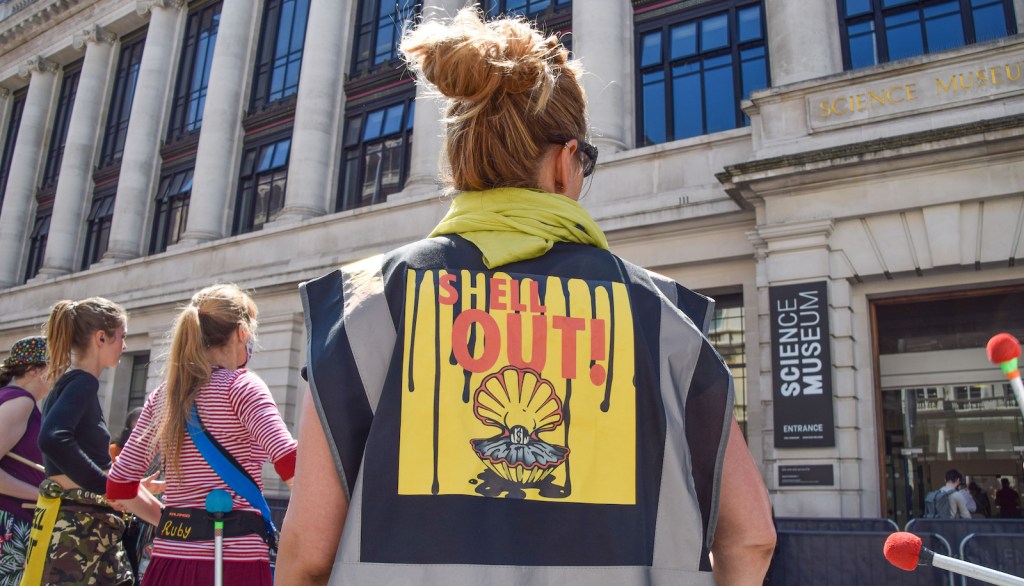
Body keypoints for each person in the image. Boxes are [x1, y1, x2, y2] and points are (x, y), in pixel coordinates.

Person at [275, 8, 775, 586]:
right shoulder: (661, 319)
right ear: (565, 163)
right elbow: (752, 536)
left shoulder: (365, 309)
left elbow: (307, 554)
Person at [107, 284, 297, 586]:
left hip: (168, 561)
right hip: (234, 564)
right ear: (240, 333)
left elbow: (119, 485)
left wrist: (175, 522)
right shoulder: (243, 387)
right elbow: (290, 464)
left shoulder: (164, 397)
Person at [25, 297, 134, 585]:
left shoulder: (70, 383)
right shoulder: (83, 383)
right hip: (78, 534)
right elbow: (53, 438)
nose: (125, 345)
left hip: (72, 527)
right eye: (122, 337)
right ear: (101, 337)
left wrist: (120, 485)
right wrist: (106, 486)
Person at [0, 337, 49, 584]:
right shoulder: (21, 401)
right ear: (34, 370)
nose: (59, 373)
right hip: (9, 523)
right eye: (55, 366)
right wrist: (41, 494)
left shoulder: (14, 399)